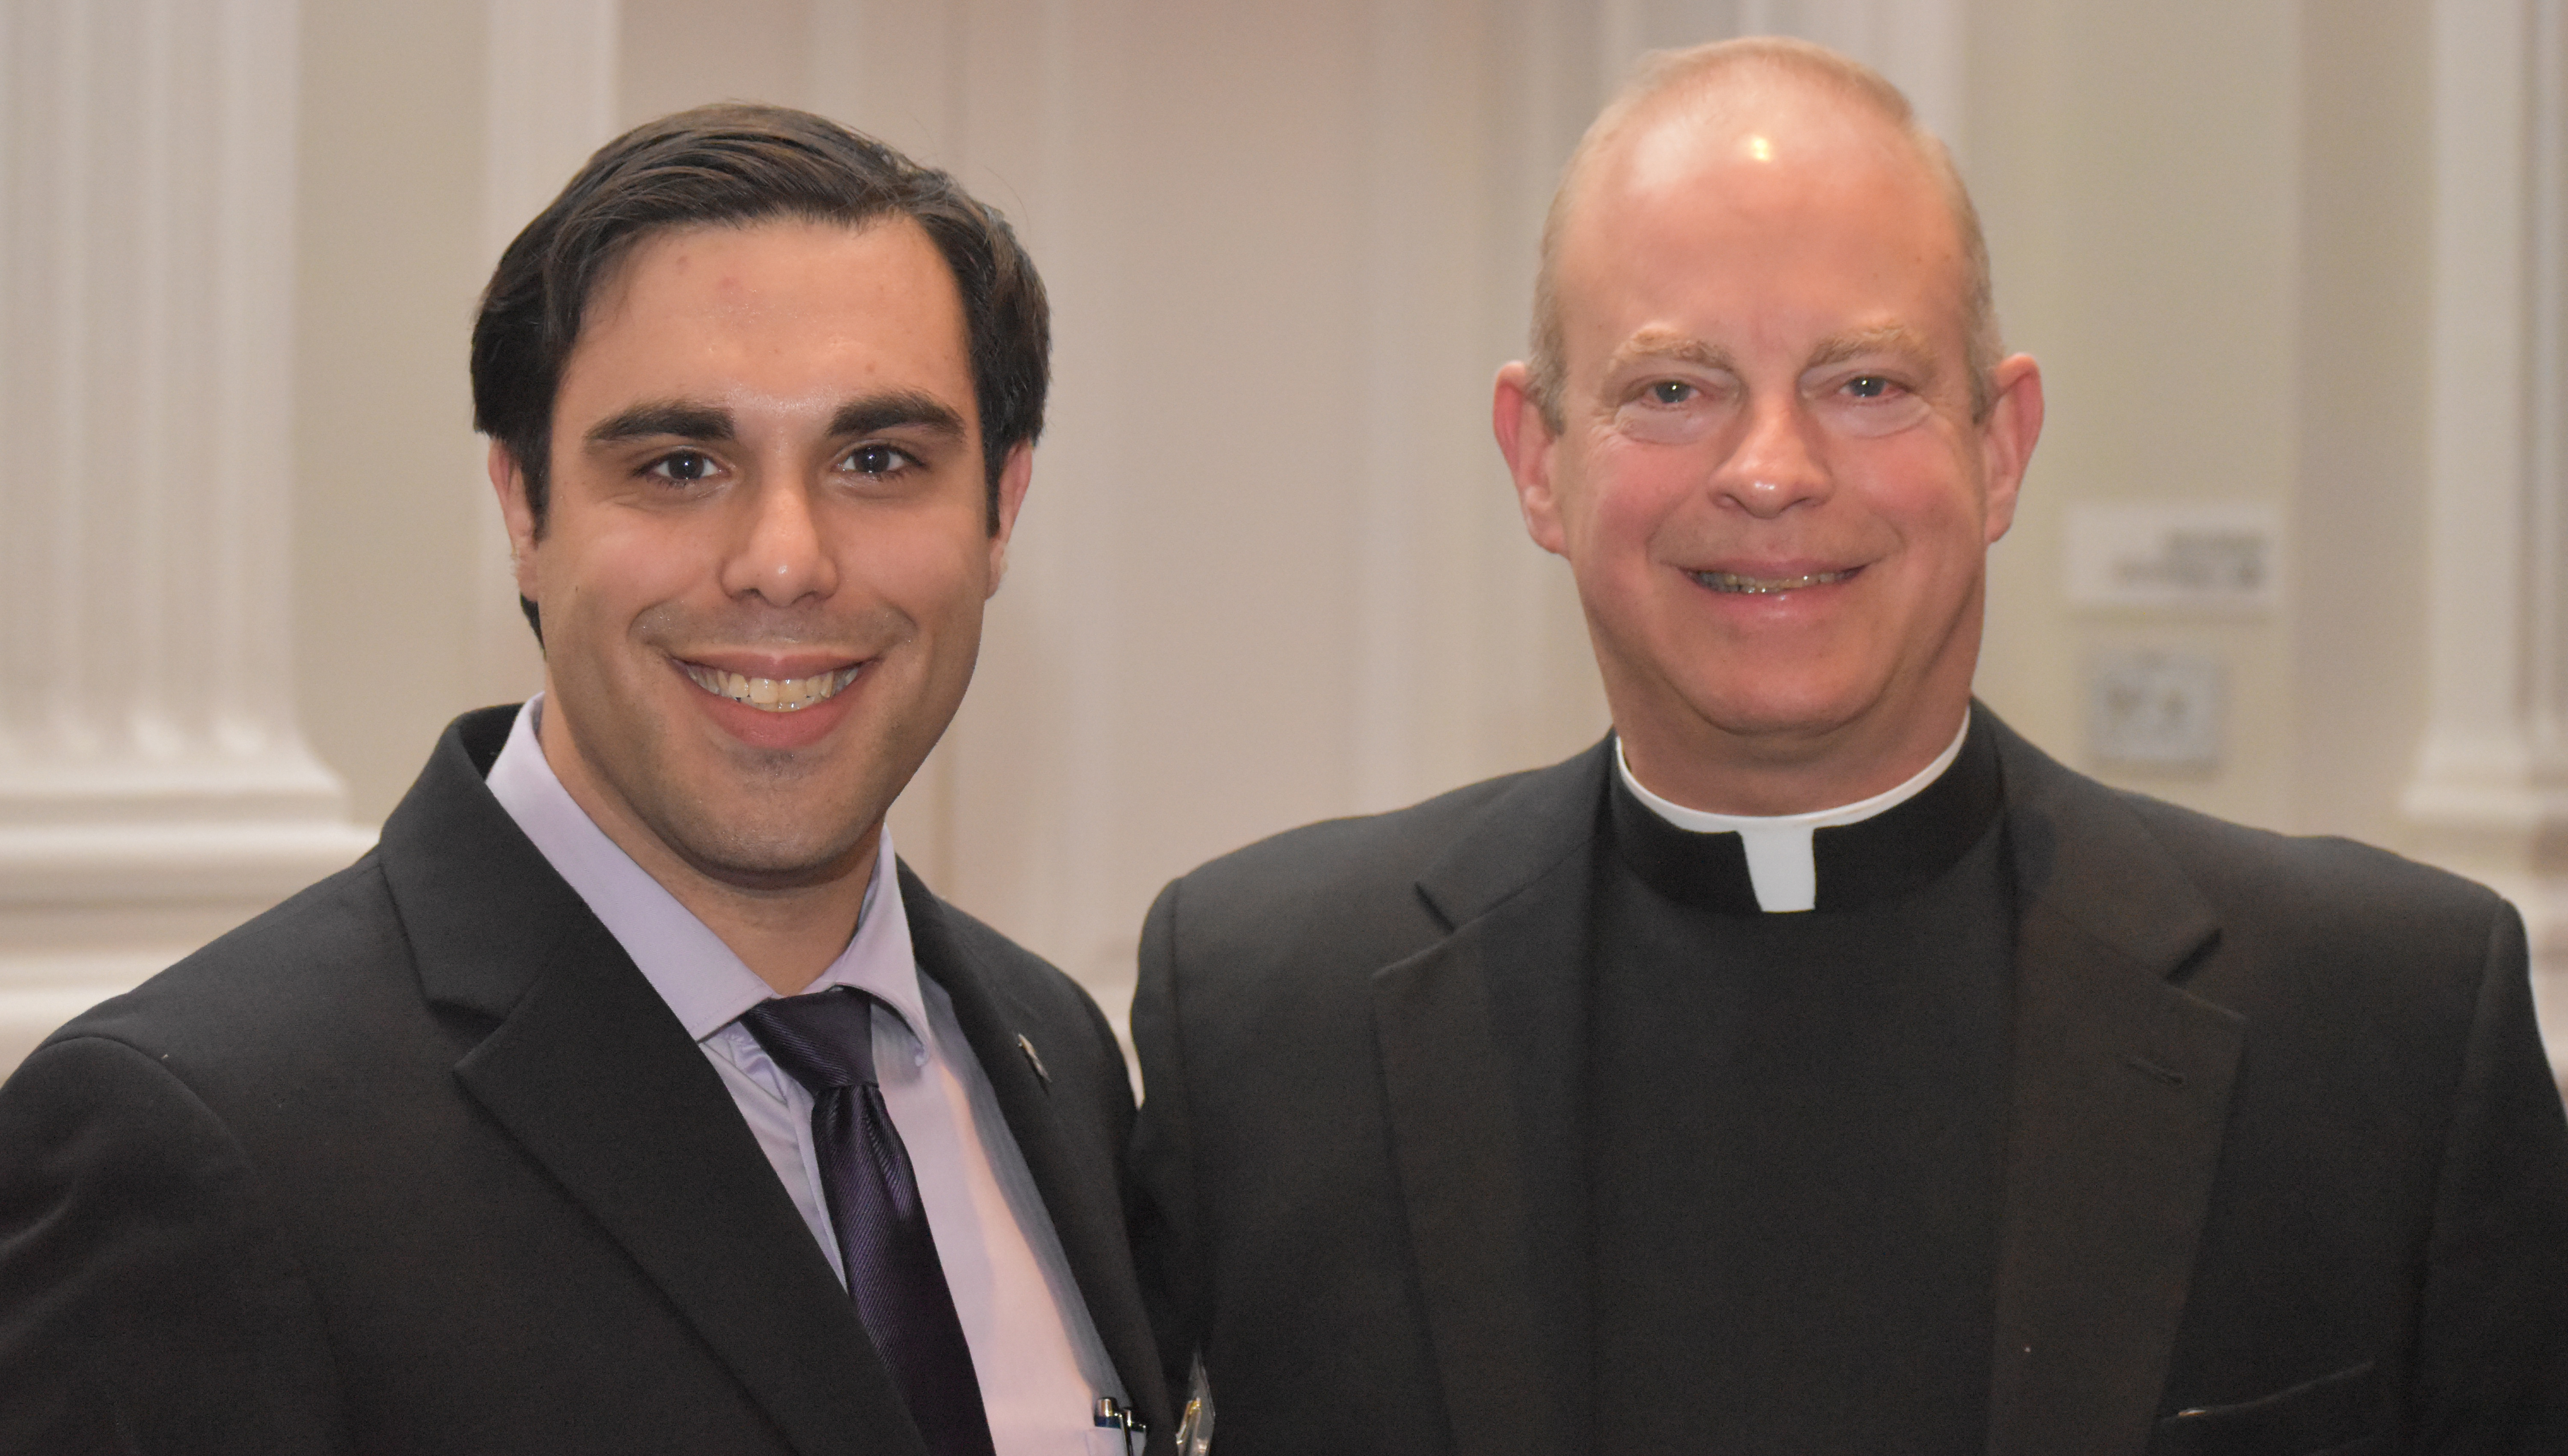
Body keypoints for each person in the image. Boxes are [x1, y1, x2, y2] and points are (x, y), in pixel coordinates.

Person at [1128, 37, 2568, 1456]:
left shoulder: (2390, 1025)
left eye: (1865, 383)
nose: (1771, 470)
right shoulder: (1266, 1020)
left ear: (2001, 446)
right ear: (1537, 458)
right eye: (1673, 388)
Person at [0, 104, 1170, 1456]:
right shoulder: (200, 1139)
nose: (784, 558)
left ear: (1002, 510)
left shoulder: (1053, 1051)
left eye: (878, 460)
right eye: (679, 465)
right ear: (523, 509)